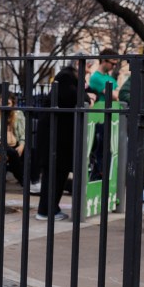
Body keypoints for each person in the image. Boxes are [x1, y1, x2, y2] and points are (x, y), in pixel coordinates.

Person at [36, 65, 80, 221]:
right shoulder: (66, 78)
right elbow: (73, 96)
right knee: (53, 173)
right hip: (55, 138)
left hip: (58, 137)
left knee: (57, 173)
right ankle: (47, 210)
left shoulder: (67, 79)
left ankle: (50, 208)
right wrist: (87, 96)